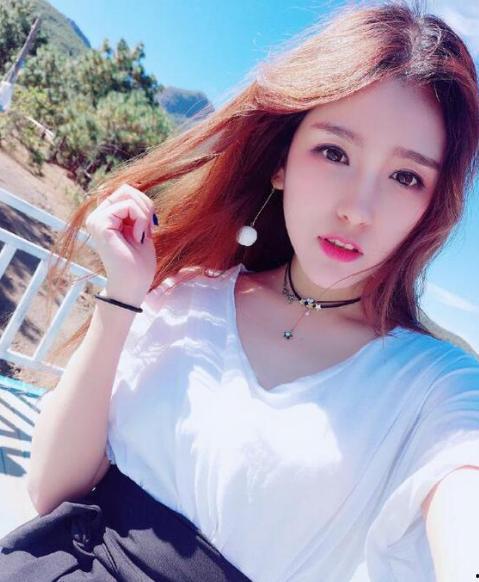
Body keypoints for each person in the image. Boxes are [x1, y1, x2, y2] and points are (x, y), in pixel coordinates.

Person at [1, 0, 479, 580]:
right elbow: (51, 488)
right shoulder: (186, 296)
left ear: (432, 206)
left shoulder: (435, 387)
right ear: (282, 163)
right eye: (334, 152)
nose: (358, 208)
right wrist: (125, 294)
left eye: (406, 176)